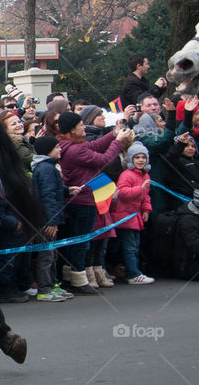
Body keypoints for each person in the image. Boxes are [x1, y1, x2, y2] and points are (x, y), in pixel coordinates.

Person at [57, 111, 133, 293]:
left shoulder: (69, 145)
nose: (84, 127)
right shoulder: (76, 150)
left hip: (77, 200)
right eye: (81, 125)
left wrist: (113, 134)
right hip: (84, 200)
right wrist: (118, 142)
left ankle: (70, 277)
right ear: (72, 130)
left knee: (76, 240)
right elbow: (104, 159)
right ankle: (79, 280)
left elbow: (94, 145)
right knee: (82, 242)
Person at [30, 137, 77, 302]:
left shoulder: (48, 167)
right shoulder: (46, 169)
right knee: (47, 255)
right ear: (47, 150)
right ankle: (44, 289)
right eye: (57, 147)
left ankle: (53, 284)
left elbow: (53, 190)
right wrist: (52, 221)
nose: (60, 149)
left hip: (49, 218)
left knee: (54, 254)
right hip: (46, 220)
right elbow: (47, 196)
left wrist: (66, 190)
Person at [110, 142, 156, 284]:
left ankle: (129, 270)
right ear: (131, 159)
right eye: (137, 157)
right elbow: (122, 193)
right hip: (125, 216)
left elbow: (146, 196)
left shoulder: (146, 176)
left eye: (143, 157)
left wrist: (146, 210)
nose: (141, 160)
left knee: (134, 245)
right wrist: (139, 189)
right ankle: (133, 274)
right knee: (130, 247)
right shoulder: (126, 175)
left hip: (135, 216)